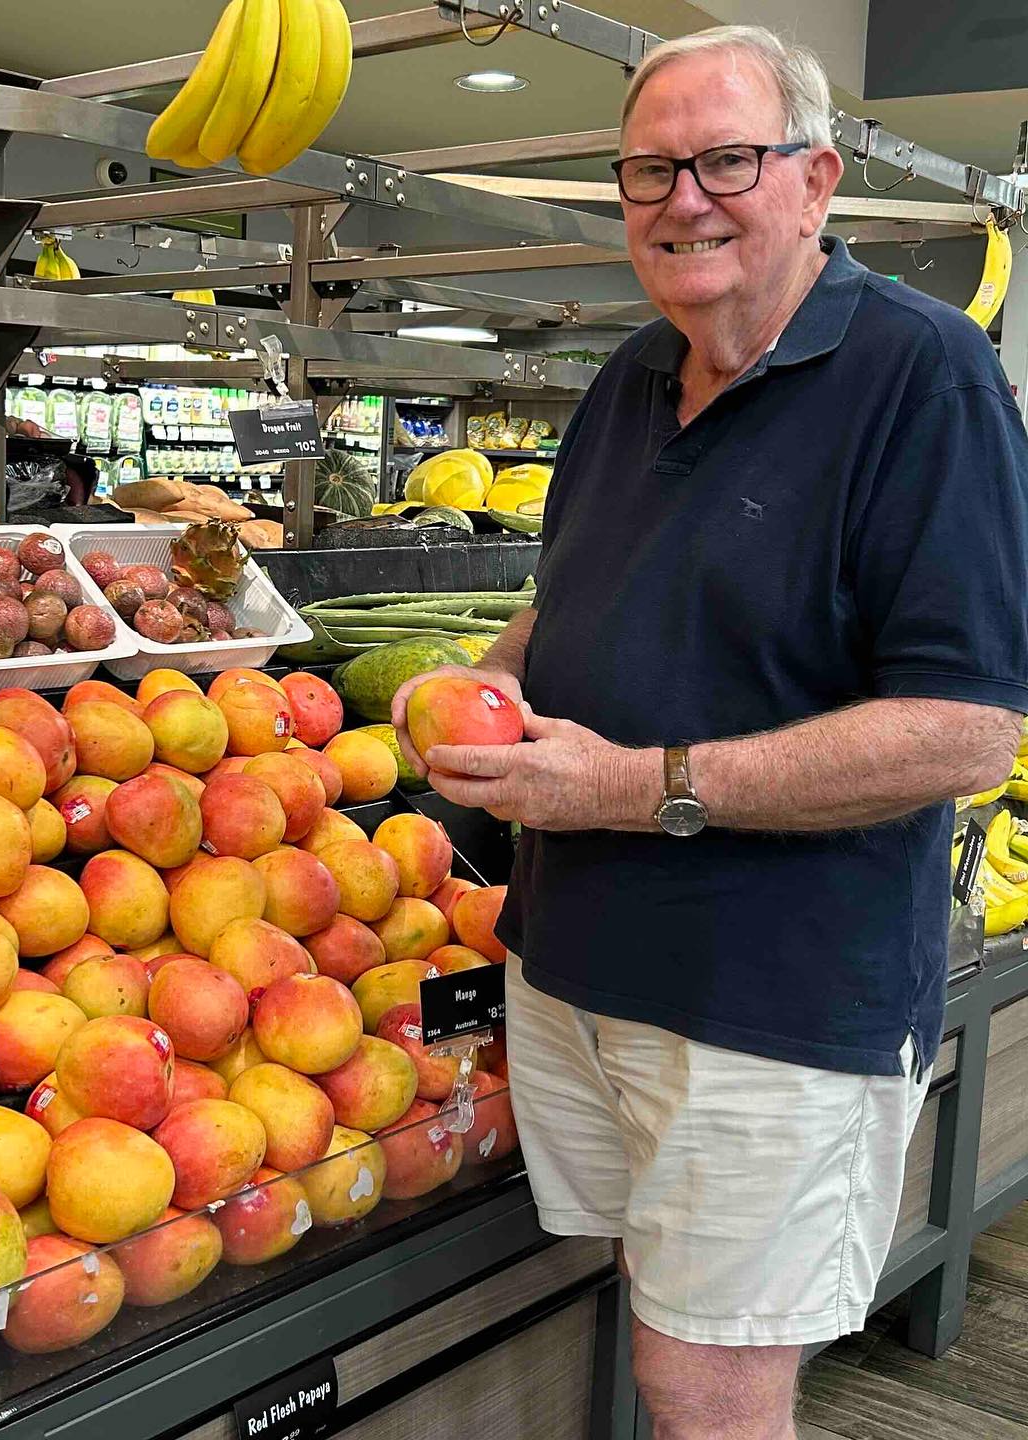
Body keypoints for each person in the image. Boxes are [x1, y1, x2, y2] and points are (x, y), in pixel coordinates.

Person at [393, 25, 1028, 1440]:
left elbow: (967, 733)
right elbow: (558, 616)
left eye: (726, 160)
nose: (684, 198)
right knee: (658, 1314)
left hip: (772, 1005)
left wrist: (630, 787)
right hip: (574, 969)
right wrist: (460, 686)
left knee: (712, 1387)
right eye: (647, 171)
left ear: (815, 181)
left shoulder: (924, 379)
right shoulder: (629, 379)